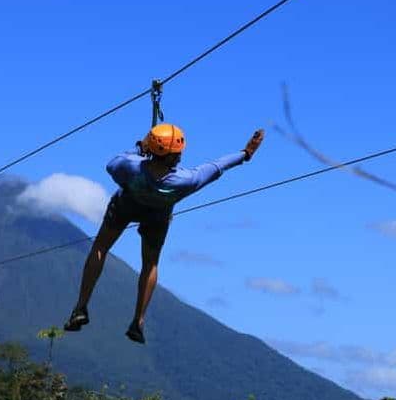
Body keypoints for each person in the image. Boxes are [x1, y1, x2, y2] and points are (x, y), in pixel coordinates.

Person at [63, 123, 264, 343]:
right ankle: (138, 321)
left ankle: (81, 307)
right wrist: (246, 153)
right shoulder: (186, 180)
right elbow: (217, 166)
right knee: (150, 264)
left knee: (100, 248)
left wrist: (140, 148)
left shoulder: (131, 167)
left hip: (125, 207)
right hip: (157, 218)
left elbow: (112, 165)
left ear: (153, 148)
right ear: (174, 156)